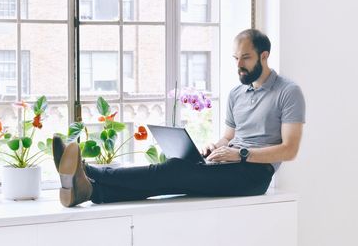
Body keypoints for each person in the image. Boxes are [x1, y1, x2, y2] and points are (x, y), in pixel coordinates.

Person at [53, 29, 305, 207]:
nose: (239, 64)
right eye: (235, 58)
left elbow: (290, 150)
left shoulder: (287, 91)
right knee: (166, 181)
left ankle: (87, 170)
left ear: (264, 55)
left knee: (173, 170)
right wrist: (216, 147)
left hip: (253, 176)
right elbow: (229, 136)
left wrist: (240, 154)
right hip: (227, 165)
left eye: (246, 58)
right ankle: (89, 191)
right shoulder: (237, 93)